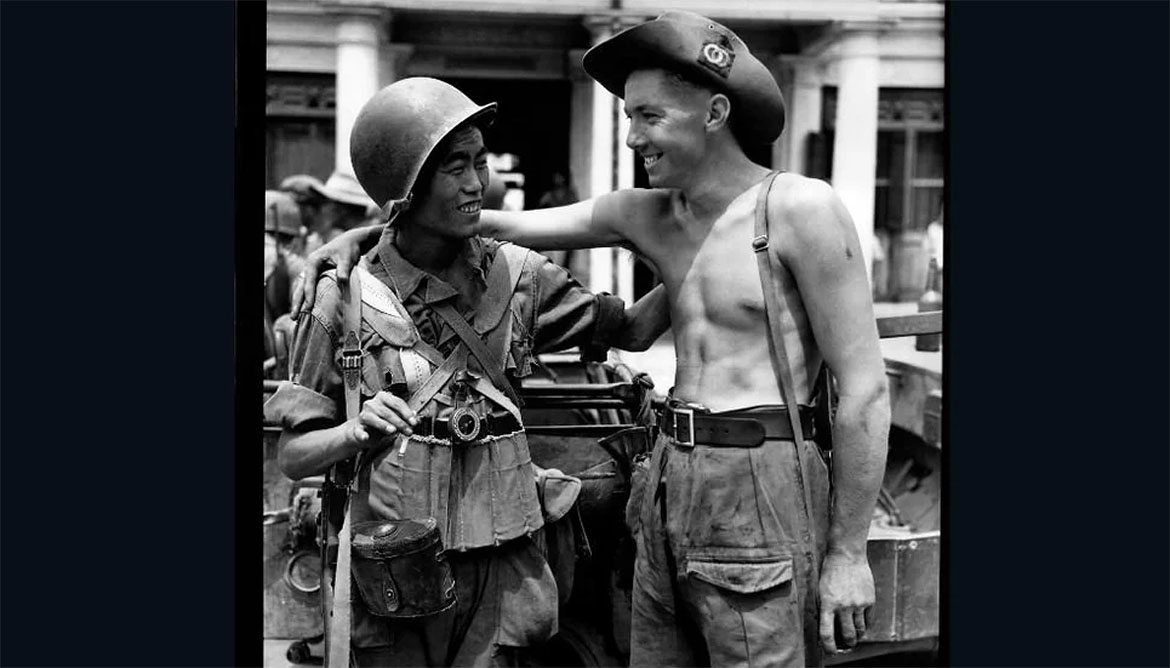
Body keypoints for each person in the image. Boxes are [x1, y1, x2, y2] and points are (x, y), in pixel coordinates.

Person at [296, 12, 890, 666]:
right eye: (628, 115)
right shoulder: (645, 215)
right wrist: (362, 237)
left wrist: (848, 555)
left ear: (715, 112)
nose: (631, 136)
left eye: (648, 116)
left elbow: (864, 392)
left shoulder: (802, 210)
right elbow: (490, 218)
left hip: (762, 476)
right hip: (667, 472)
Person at [265, 77, 670, 668]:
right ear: (406, 186)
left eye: (480, 162)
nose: (477, 183)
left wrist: (693, 253)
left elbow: (630, 331)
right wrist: (355, 431)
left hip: (505, 577)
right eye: (456, 166)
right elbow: (294, 455)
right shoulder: (342, 297)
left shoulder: (522, 278)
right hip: (396, 579)